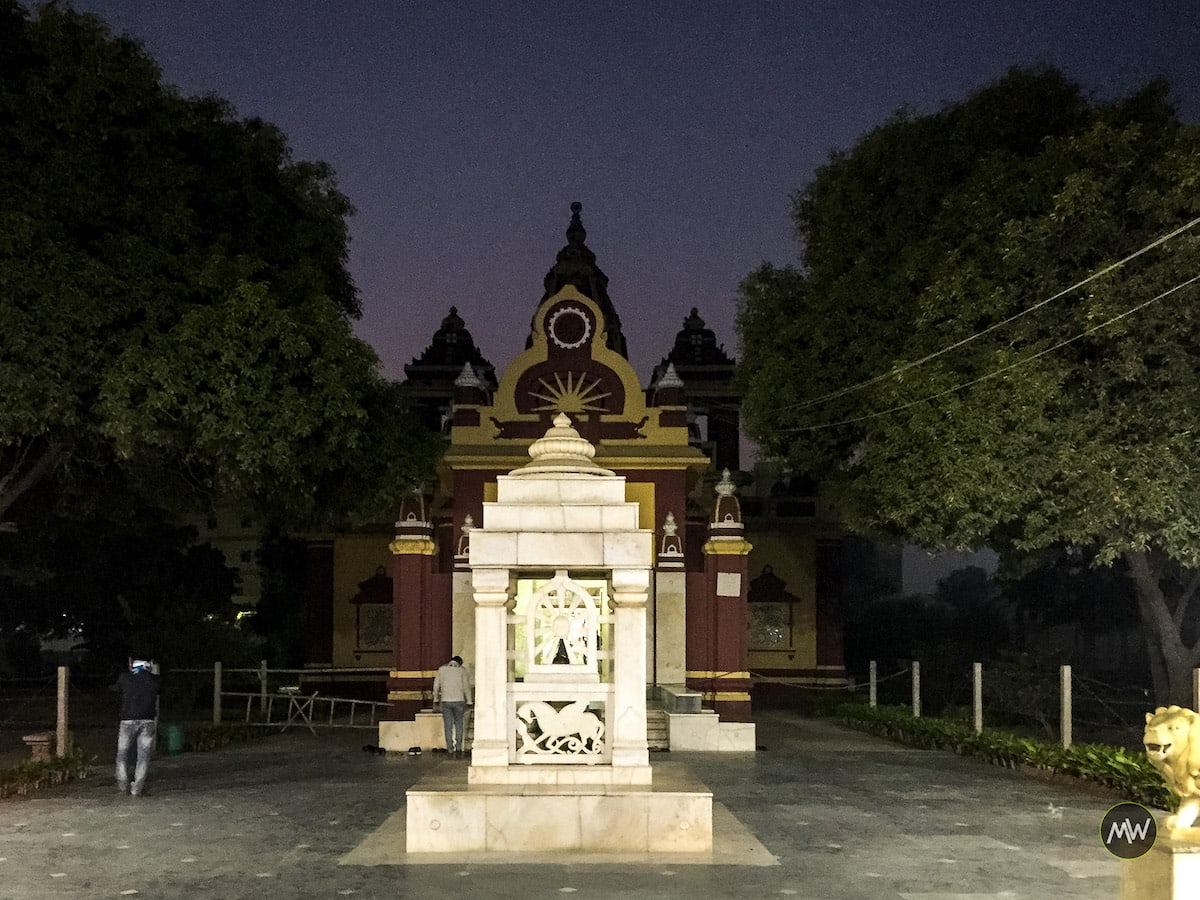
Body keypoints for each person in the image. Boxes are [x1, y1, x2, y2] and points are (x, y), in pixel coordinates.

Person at [116, 658, 160, 796]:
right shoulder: (154, 679)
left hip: (127, 720)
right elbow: (159, 689)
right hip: (147, 720)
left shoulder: (125, 678)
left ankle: (123, 783)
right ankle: (137, 788)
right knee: (143, 755)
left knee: (122, 753)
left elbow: (117, 689)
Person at [432, 655, 472, 757]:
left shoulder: (441, 670)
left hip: (446, 701)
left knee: (448, 726)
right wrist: (469, 701)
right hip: (459, 701)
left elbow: (436, 686)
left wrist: (436, 699)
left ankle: (449, 748)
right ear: (460, 663)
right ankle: (458, 746)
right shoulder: (462, 671)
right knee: (459, 724)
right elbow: (466, 687)